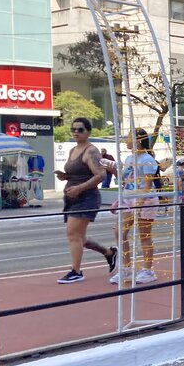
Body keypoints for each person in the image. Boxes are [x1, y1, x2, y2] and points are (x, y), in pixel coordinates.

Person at [54, 117, 116, 284]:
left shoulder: (91, 151)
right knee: (79, 236)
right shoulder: (73, 150)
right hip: (71, 197)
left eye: (80, 129)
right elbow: (80, 173)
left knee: (73, 234)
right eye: (73, 129)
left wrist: (79, 188)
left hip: (86, 198)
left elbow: (100, 175)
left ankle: (76, 271)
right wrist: (66, 176)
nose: (76, 132)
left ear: (88, 132)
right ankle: (109, 253)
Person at [109, 127, 161, 285]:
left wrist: (140, 201)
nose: (126, 140)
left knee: (144, 235)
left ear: (138, 140)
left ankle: (148, 270)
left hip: (145, 201)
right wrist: (113, 171)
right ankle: (126, 269)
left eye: (129, 137)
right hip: (129, 199)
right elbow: (126, 181)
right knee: (120, 232)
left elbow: (148, 185)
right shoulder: (128, 159)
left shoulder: (147, 159)